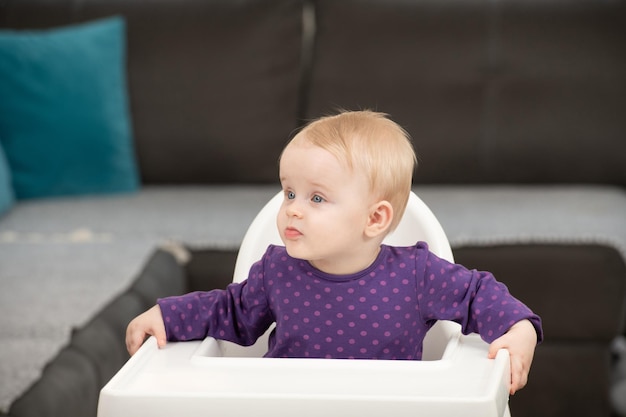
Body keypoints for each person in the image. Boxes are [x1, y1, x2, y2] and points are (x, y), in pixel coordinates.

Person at [126, 110, 543, 395]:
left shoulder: (417, 274)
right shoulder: (276, 270)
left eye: (317, 198)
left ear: (375, 219)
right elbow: (230, 311)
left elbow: (476, 295)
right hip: (285, 408)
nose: (291, 207)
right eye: (289, 191)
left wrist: (518, 328)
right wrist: (168, 316)